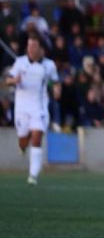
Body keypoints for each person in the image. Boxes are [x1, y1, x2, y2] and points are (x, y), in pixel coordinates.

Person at [5, 35, 58, 185]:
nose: (30, 49)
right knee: (23, 140)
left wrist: (57, 89)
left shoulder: (49, 65)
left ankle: (33, 174)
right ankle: (23, 146)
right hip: (22, 108)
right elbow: (7, 80)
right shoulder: (20, 62)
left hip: (39, 107)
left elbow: (55, 81)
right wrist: (14, 80)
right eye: (29, 46)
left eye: (33, 46)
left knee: (37, 135)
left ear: (41, 49)